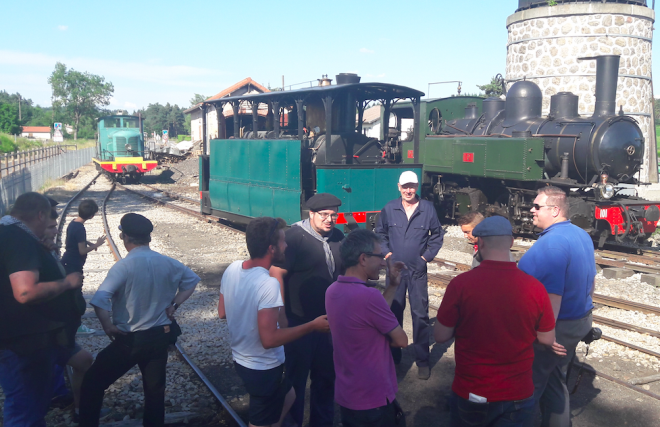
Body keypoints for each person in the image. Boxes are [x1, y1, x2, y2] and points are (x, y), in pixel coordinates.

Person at [434, 216, 566, 427]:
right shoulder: (535, 288)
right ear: (511, 243)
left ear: (481, 243)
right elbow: (547, 338)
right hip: (517, 392)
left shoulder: (461, 285)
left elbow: (440, 336)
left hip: (472, 390)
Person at [79, 213, 200, 427]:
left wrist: (108, 326)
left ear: (125, 237)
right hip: (159, 338)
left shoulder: (124, 266)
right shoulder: (168, 262)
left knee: (92, 383)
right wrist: (175, 304)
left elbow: (100, 300)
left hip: (130, 340)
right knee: (155, 393)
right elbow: (191, 280)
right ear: (148, 238)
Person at [218, 217, 330, 427]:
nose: (286, 245)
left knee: (289, 396)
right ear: (271, 249)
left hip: (241, 359)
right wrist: (312, 326)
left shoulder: (232, 268)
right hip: (264, 368)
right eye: (282, 241)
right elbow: (269, 339)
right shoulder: (267, 283)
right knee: (259, 422)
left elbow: (222, 312)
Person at [0, 192, 83, 427]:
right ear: (39, 214)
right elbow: (25, 292)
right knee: (25, 406)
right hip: (22, 342)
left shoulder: (7, 233)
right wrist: (67, 283)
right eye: (48, 221)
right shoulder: (18, 238)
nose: (51, 228)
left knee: (31, 406)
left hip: (21, 337)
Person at [518, 186, 596, 427]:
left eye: (536, 206)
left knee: (529, 386)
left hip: (555, 328)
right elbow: (591, 281)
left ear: (554, 210)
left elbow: (553, 294)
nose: (531, 210)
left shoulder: (553, 244)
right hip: (577, 322)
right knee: (555, 380)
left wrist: (547, 336)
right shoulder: (580, 234)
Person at [270, 193, 344, 427]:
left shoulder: (339, 236)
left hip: (329, 324)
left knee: (326, 379)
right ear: (311, 214)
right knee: (295, 382)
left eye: (334, 215)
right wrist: (281, 315)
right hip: (299, 323)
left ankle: (322, 423)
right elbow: (276, 273)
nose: (330, 220)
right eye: (324, 215)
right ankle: (292, 423)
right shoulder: (293, 238)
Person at [326, 229, 408, 427]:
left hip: (349, 394)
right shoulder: (368, 297)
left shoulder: (332, 290)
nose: (382, 262)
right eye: (380, 256)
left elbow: (372, 314)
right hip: (374, 397)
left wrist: (393, 286)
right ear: (363, 258)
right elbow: (402, 340)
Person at [375, 170, 444, 380]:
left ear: (417, 187)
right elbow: (379, 233)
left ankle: (422, 360)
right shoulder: (389, 208)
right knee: (393, 313)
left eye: (412, 186)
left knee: (420, 315)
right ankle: (393, 358)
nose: (408, 190)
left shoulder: (427, 209)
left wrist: (425, 259)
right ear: (399, 187)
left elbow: (437, 236)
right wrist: (387, 254)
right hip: (395, 271)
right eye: (405, 186)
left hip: (417, 271)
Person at [41, 198, 95, 422]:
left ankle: (66, 398)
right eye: (52, 227)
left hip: (57, 326)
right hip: (47, 328)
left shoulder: (49, 250)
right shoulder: (33, 253)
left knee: (81, 360)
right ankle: (56, 394)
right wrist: (67, 284)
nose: (56, 232)